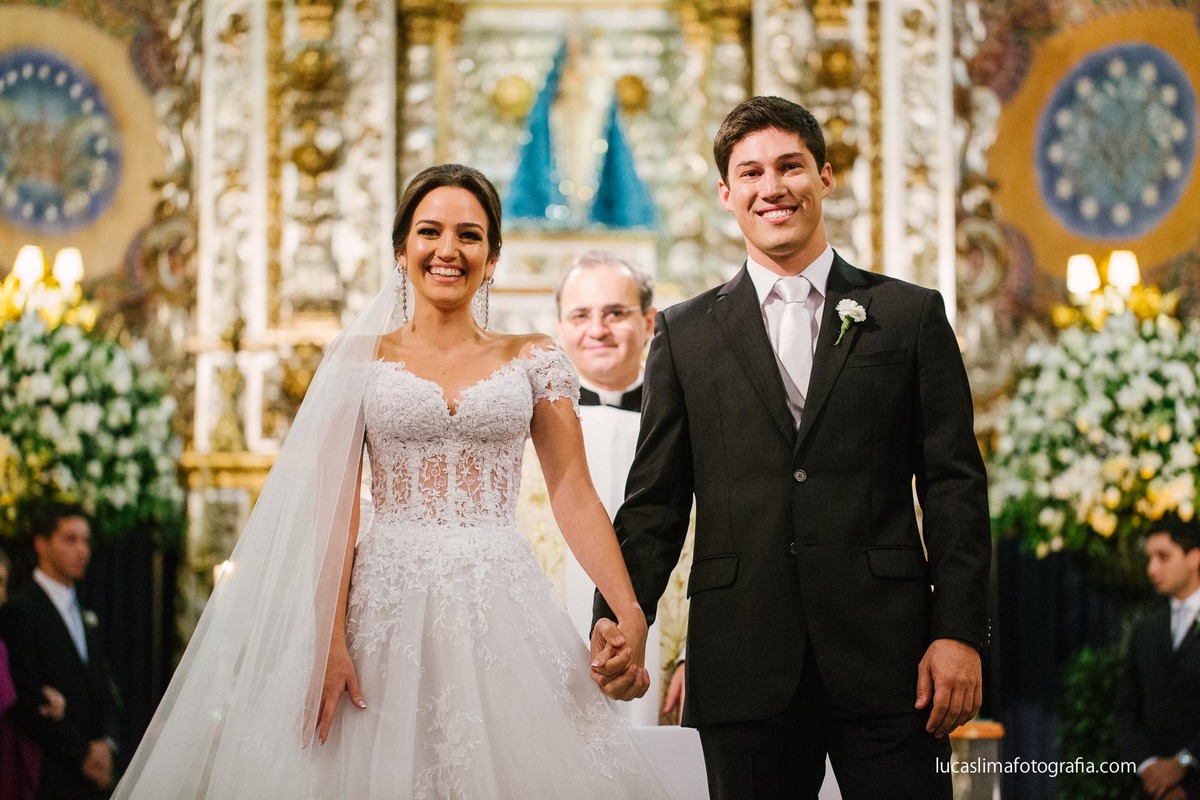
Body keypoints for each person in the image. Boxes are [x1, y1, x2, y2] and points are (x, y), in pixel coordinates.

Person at [110, 164, 678, 799]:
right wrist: (327, 642)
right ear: (402, 249)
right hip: (384, 601)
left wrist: (628, 608)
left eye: (469, 235)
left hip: (501, 594)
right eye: (430, 232)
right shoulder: (360, 360)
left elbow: (573, 489)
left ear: (491, 257)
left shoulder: (535, 357)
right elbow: (337, 508)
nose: (448, 250)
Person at [591, 95, 992, 800]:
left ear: (825, 177)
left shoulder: (908, 315)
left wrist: (958, 632)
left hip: (891, 658)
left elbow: (953, 485)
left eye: (790, 167)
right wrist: (619, 617)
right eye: (750, 174)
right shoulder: (684, 335)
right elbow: (653, 502)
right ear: (726, 193)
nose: (771, 188)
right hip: (742, 659)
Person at [552, 251, 676, 726]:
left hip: (668, 648)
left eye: (615, 313)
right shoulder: (526, 425)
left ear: (648, 322)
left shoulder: (686, 414)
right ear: (560, 328)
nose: (597, 329)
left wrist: (692, 653)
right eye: (580, 316)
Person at [0, 507, 115, 800]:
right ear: (41, 544)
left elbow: (100, 687)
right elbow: (25, 697)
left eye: (86, 541)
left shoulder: (86, 612)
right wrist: (82, 755)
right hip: (50, 775)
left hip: (93, 776)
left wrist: (106, 744)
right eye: (70, 539)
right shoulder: (20, 610)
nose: (82, 550)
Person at [1116, 514, 1200, 800]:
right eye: (1149, 557)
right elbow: (1127, 709)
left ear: (1194, 558)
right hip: (1152, 790)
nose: (1152, 568)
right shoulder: (1145, 626)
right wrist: (1151, 768)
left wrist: (1185, 763)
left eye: (1163, 556)